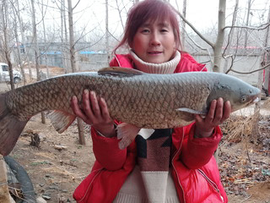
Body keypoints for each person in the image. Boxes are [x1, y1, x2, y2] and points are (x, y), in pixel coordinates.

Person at [71, 0, 231, 202]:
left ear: (175, 38)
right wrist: (104, 128)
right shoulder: (110, 84)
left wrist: (205, 132)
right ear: (131, 39)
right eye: (145, 30)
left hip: (181, 190)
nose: (155, 40)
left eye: (163, 30)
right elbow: (111, 164)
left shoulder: (199, 86)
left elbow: (192, 163)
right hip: (124, 187)